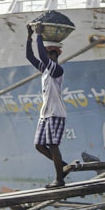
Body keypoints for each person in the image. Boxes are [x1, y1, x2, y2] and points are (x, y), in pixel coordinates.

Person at [24, 23, 68, 188]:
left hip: (56, 113)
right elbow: (30, 57)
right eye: (48, 52)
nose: (48, 55)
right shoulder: (46, 70)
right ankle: (62, 166)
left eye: (50, 53)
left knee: (53, 145)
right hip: (46, 113)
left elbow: (41, 56)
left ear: (55, 55)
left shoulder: (57, 69)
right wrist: (30, 37)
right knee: (39, 145)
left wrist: (39, 35)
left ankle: (60, 179)